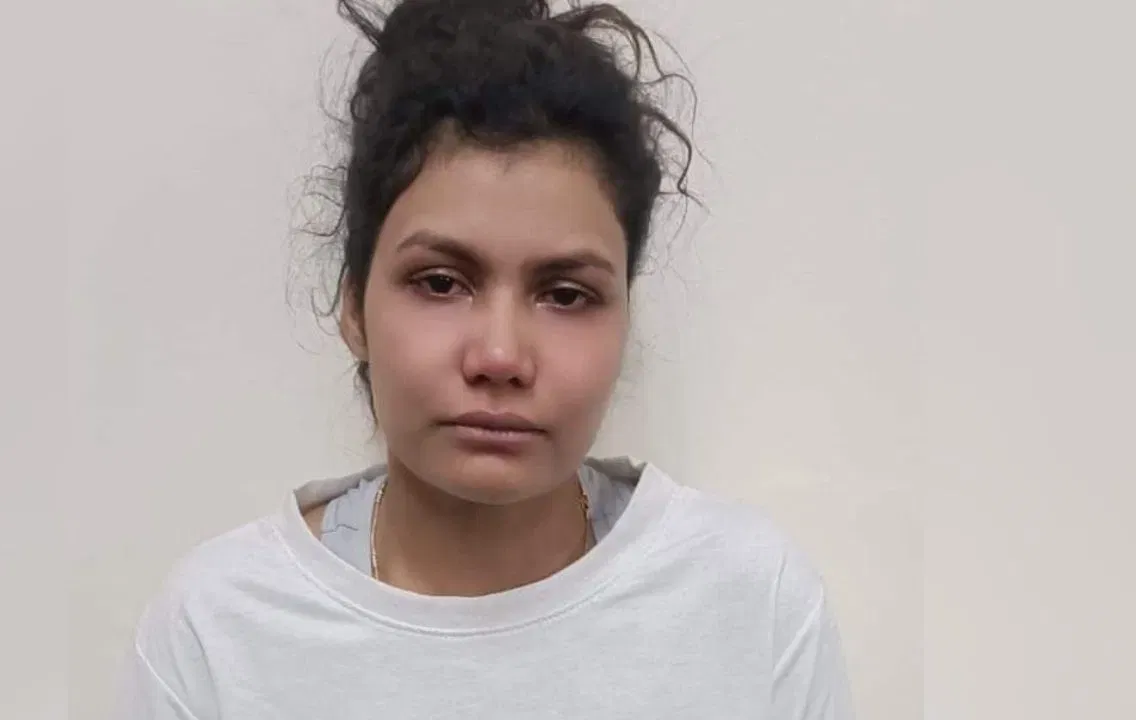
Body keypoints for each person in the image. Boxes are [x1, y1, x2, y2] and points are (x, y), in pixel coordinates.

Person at [115, 0, 855, 718]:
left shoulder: (752, 603)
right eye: (440, 283)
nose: (500, 356)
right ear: (354, 308)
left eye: (565, 295)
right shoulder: (218, 632)